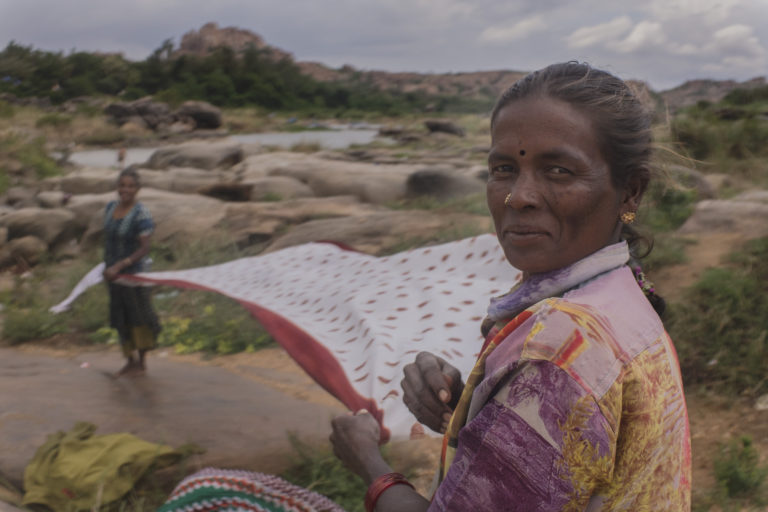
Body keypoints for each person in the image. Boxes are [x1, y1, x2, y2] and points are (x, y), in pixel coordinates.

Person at [330, 62, 691, 511]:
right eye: (503, 168)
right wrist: (479, 408)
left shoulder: (560, 345)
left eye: (558, 171)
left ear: (630, 192)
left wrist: (367, 460)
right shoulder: (619, 297)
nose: (518, 196)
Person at [102, 167, 160, 376]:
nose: (125, 190)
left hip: (134, 274)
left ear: (138, 189)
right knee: (120, 318)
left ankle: (142, 361)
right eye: (122, 185)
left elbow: (144, 248)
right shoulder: (110, 208)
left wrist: (120, 265)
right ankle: (130, 359)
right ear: (117, 187)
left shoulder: (141, 213)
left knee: (140, 317)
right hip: (113, 275)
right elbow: (108, 240)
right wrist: (108, 266)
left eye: (130, 186)